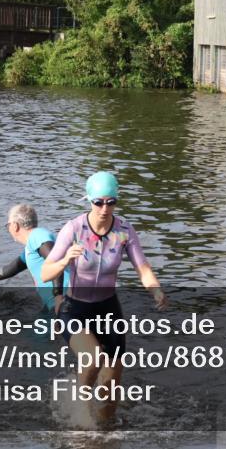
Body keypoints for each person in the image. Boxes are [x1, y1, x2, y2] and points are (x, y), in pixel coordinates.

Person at [41, 172, 167, 425]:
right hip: (75, 308)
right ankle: (79, 413)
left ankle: (105, 433)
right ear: (89, 200)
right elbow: (46, 272)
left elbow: (142, 268)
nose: (104, 208)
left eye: (111, 202)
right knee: (93, 359)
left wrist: (155, 290)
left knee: (111, 385)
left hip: (108, 308)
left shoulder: (124, 231)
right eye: (98, 202)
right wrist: (66, 260)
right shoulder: (74, 228)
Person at [0, 204, 64, 313]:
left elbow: (55, 261)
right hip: (54, 304)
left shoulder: (38, 235)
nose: (8, 229)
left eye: (7, 225)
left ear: (15, 226)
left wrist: (58, 298)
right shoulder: (32, 246)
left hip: (62, 302)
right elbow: (11, 269)